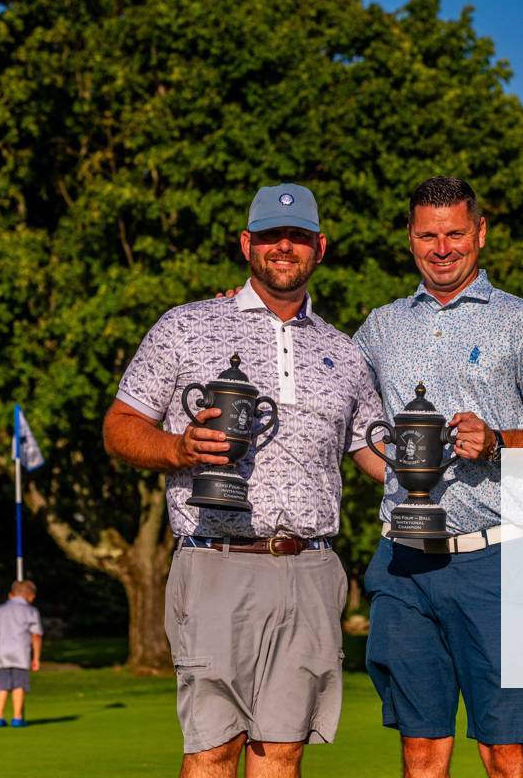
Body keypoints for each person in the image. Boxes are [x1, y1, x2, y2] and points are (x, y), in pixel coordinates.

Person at [103, 183, 385, 778]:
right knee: (212, 752)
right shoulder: (185, 325)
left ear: (320, 247)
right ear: (246, 243)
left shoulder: (346, 352)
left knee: (282, 753)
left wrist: (445, 459)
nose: (285, 248)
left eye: (299, 237)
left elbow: (371, 452)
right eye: (271, 237)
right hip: (216, 560)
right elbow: (120, 427)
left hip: (310, 567)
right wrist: (178, 447)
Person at [355, 176, 523, 778]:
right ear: (410, 238)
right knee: (421, 753)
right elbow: (349, 424)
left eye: (455, 233)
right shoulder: (379, 328)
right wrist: (400, 477)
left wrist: (499, 441)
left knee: (504, 753)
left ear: (479, 233)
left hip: (493, 562)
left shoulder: (522, 322)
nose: (442, 248)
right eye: (428, 235)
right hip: (403, 561)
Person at [0, 579, 43, 729]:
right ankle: (17, 717)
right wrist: (36, 657)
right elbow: (36, 635)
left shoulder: (0, 610)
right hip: (21, 653)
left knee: (2, 685)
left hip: (1, 653)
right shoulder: (31, 611)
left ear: (11, 594)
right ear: (31, 596)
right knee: (19, 685)